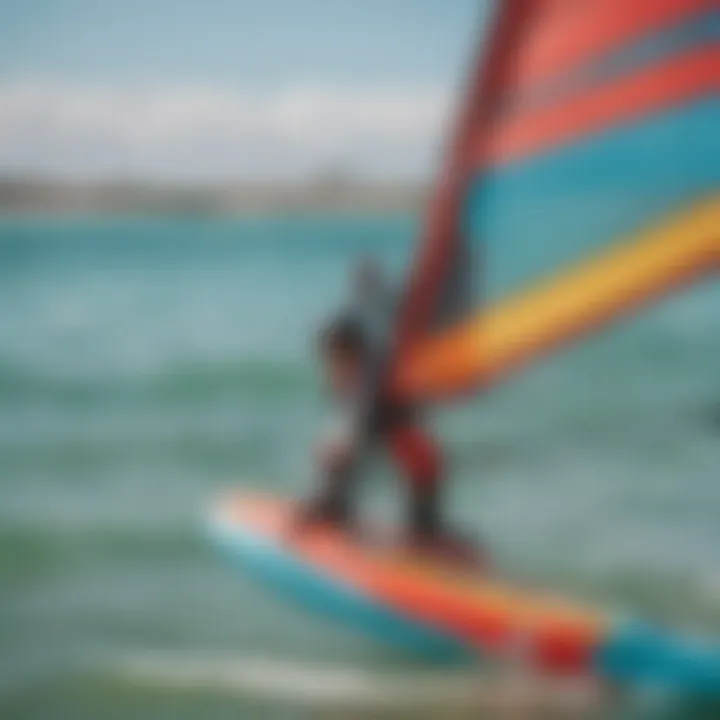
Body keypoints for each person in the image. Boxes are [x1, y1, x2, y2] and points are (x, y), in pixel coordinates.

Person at [298, 262, 478, 564]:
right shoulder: (357, 369)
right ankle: (336, 508)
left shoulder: (371, 373)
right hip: (391, 430)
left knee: (347, 454)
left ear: (349, 355)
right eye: (329, 362)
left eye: (333, 360)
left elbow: (358, 420)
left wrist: (340, 444)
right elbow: (383, 314)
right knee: (341, 455)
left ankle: (421, 532)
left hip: (401, 435)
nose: (330, 369)